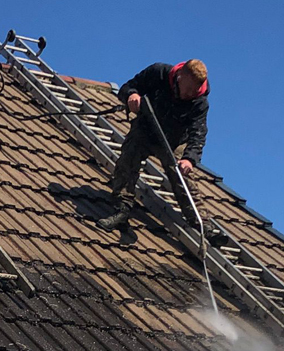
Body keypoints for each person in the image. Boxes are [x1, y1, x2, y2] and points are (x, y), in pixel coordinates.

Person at [97, 59, 227, 247]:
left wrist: (190, 159)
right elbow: (128, 87)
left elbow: (198, 133)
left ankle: (202, 225)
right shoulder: (158, 73)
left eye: (194, 91)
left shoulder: (199, 102)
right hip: (145, 130)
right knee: (128, 158)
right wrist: (131, 96)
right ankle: (121, 209)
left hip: (173, 142)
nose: (189, 95)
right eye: (188, 89)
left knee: (182, 177)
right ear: (180, 76)